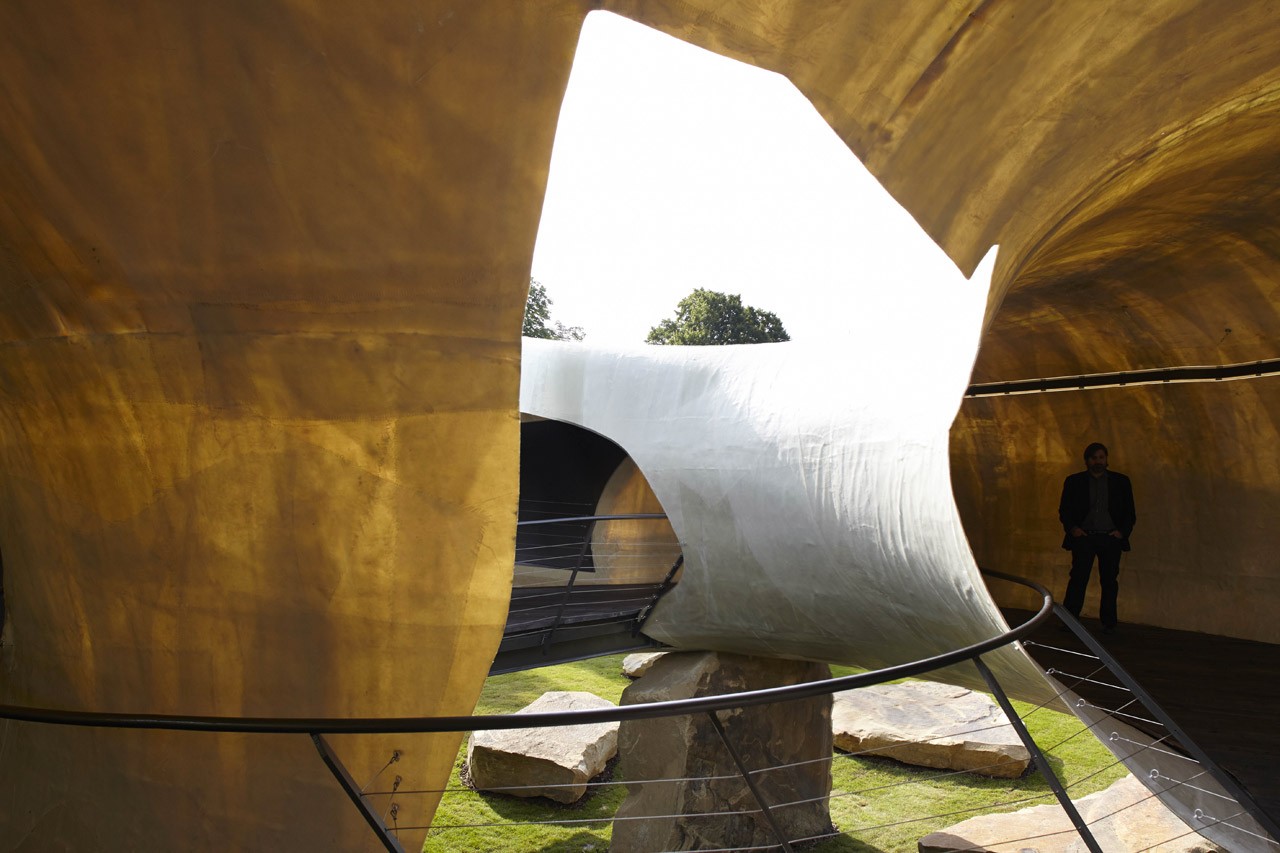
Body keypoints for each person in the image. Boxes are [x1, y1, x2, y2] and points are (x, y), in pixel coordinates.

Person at [1058, 442, 1135, 634]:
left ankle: (1109, 623)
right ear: (1087, 460)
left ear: (1106, 459)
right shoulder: (1074, 481)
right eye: (1094, 458)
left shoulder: (1121, 482)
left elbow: (1129, 512)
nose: (1098, 461)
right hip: (1085, 537)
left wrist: (1121, 533)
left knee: (1109, 580)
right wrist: (1073, 529)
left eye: (1101, 457)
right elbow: (1064, 510)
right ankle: (1071, 621)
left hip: (1110, 538)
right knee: (1078, 578)